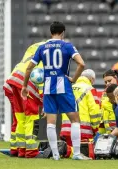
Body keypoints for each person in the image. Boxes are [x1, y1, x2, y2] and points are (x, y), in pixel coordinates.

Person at [21, 21, 90, 160]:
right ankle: (76, 154)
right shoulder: (67, 46)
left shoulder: (42, 47)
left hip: (48, 86)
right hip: (63, 84)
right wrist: (74, 79)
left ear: (50, 32)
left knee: (51, 122)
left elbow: (28, 68)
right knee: (75, 120)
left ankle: (56, 155)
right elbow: (82, 64)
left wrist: (24, 86)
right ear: (63, 32)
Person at [3, 42, 45, 158]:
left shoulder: (32, 49)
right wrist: (45, 102)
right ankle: (31, 152)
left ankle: (18, 150)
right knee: (31, 118)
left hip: (13, 82)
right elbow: (41, 83)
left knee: (20, 118)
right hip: (27, 85)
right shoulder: (45, 57)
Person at [60, 69, 101, 146]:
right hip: (83, 131)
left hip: (66, 129)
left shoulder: (69, 88)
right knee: (84, 152)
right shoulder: (91, 90)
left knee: (70, 152)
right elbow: (94, 112)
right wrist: (96, 129)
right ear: (92, 79)